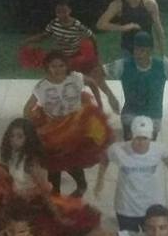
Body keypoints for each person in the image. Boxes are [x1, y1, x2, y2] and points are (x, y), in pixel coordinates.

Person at [0, 118, 100, 236]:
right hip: (16, 195)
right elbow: (12, 172)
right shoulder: (13, 154)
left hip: (32, 201)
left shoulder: (32, 164)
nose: (14, 140)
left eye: (19, 136)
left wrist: (57, 214)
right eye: (12, 136)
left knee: (29, 232)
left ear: (28, 138)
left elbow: (45, 191)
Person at [23, 51, 113, 197]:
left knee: (73, 158)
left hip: (75, 127)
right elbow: (27, 109)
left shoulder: (75, 78)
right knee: (54, 162)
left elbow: (92, 83)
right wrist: (33, 125)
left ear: (67, 66)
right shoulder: (41, 87)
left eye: (61, 65)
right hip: (54, 130)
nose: (58, 69)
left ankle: (80, 187)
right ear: (47, 67)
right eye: (53, 66)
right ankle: (56, 195)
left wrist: (100, 104)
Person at [19, 0, 121, 112]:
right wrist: (28, 40)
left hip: (78, 57)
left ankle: (110, 96)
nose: (61, 14)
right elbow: (44, 35)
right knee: (59, 80)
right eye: (58, 12)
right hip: (62, 58)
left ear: (69, 10)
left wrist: (96, 56)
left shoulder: (77, 25)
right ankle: (61, 103)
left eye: (64, 11)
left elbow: (92, 37)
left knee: (96, 77)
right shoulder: (54, 23)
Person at [95, 115, 168, 232]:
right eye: (137, 138)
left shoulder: (160, 149)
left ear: (150, 138)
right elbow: (105, 157)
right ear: (131, 136)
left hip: (153, 207)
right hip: (126, 207)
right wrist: (100, 180)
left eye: (144, 138)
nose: (140, 142)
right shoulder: (118, 149)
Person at [103, 31, 168, 140]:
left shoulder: (163, 65)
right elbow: (97, 73)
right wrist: (110, 96)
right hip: (130, 115)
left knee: (147, 146)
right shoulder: (123, 65)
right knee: (131, 145)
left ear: (150, 51)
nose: (138, 54)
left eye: (142, 50)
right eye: (136, 49)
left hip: (153, 117)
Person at [97, 0, 166, 56]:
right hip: (128, 48)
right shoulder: (118, 5)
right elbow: (100, 24)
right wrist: (123, 27)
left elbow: (158, 27)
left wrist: (163, 53)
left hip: (147, 47)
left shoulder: (150, 4)